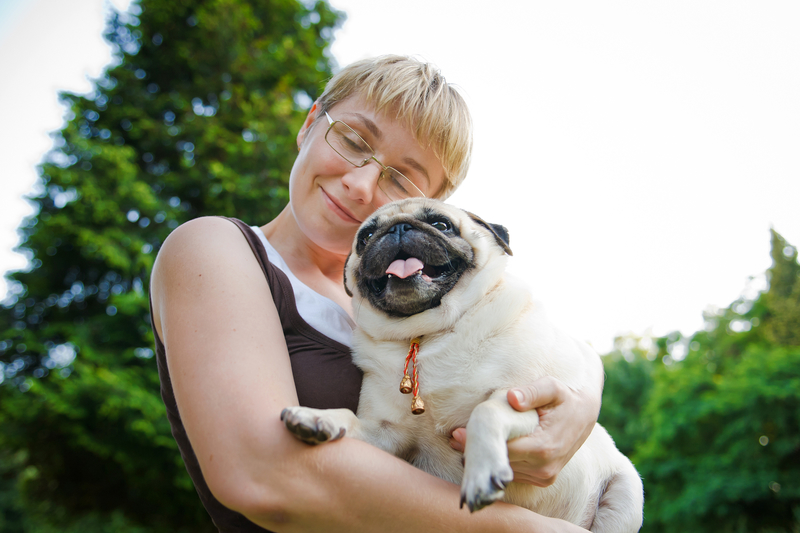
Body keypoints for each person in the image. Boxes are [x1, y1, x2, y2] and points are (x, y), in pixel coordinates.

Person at [149, 55, 603, 532]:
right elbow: (265, 476)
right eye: (351, 140)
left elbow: (541, 335)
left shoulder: (418, 310)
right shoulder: (215, 250)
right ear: (309, 125)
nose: (361, 185)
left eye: (401, 178)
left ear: (434, 203)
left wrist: (583, 401)